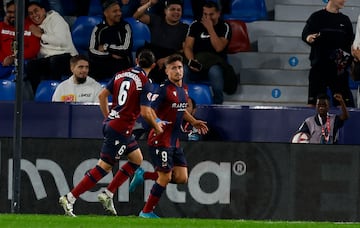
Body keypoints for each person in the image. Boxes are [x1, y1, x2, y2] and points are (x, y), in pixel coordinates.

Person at [59, 49, 164, 217]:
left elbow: (102, 96)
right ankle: (70, 198)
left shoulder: (121, 74)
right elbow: (145, 113)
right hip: (121, 128)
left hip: (115, 124)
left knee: (136, 159)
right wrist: (157, 127)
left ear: (137, 60)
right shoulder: (146, 82)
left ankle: (108, 194)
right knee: (104, 167)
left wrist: (109, 117)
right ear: (153, 65)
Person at [130, 54, 209, 218]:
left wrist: (194, 121)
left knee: (181, 178)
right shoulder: (163, 89)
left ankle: (143, 175)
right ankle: (146, 212)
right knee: (165, 177)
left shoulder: (183, 89)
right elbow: (149, 109)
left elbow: (180, 109)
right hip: (160, 139)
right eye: (173, 68)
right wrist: (157, 121)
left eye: (180, 67)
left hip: (174, 140)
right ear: (166, 71)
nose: (178, 71)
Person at [302, 0, 354, 107]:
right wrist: (309, 37)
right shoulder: (316, 17)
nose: (344, 1)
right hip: (319, 67)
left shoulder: (345, 20)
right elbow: (305, 33)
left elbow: (350, 43)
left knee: (342, 104)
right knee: (314, 105)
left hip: (339, 70)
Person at [183, 1, 236, 104]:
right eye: (205, 14)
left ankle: (217, 103)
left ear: (218, 13)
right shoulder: (195, 25)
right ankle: (183, 101)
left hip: (215, 63)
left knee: (214, 71)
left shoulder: (225, 26)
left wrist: (210, 28)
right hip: (197, 62)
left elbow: (219, 47)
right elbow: (188, 46)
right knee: (183, 70)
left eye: (211, 14)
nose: (208, 18)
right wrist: (191, 61)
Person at [26, 1, 78, 94]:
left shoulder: (56, 19)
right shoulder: (33, 26)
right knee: (32, 65)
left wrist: (41, 35)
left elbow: (61, 41)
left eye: (36, 11)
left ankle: (56, 93)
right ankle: (39, 94)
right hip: (48, 59)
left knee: (55, 61)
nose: (34, 15)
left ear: (43, 10)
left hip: (68, 56)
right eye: (30, 13)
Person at [133, 0, 189, 84]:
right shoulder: (157, 20)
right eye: (172, 9)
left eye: (178, 10)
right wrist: (150, 3)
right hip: (154, 54)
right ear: (165, 11)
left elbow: (185, 50)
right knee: (142, 51)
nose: (176, 12)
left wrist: (167, 59)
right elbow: (136, 16)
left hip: (170, 56)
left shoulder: (185, 28)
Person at [89, 0, 133, 81]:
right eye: (115, 11)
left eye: (120, 10)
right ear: (106, 13)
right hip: (103, 63)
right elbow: (92, 51)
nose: (119, 13)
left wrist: (106, 47)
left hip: (121, 65)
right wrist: (109, 55)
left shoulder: (125, 26)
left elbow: (126, 49)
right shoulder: (98, 29)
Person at [0, 0, 40, 79]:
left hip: (21, 64)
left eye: (15, 12)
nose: (12, 15)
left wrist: (15, 57)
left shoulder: (31, 27)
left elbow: (33, 50)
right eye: (9, 12)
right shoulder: (1, 26)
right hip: (2, 63)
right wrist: (3, 60)